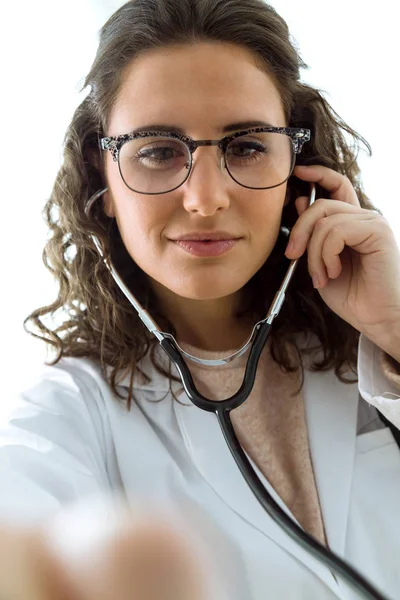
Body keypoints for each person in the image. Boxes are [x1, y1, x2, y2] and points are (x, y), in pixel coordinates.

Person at [1, 0, 400, 598]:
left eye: (245, 147)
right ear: (102, 179)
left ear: (297, 164)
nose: (205, 198)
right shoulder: (72, 413)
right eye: (159, 151)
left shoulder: (377, 353)